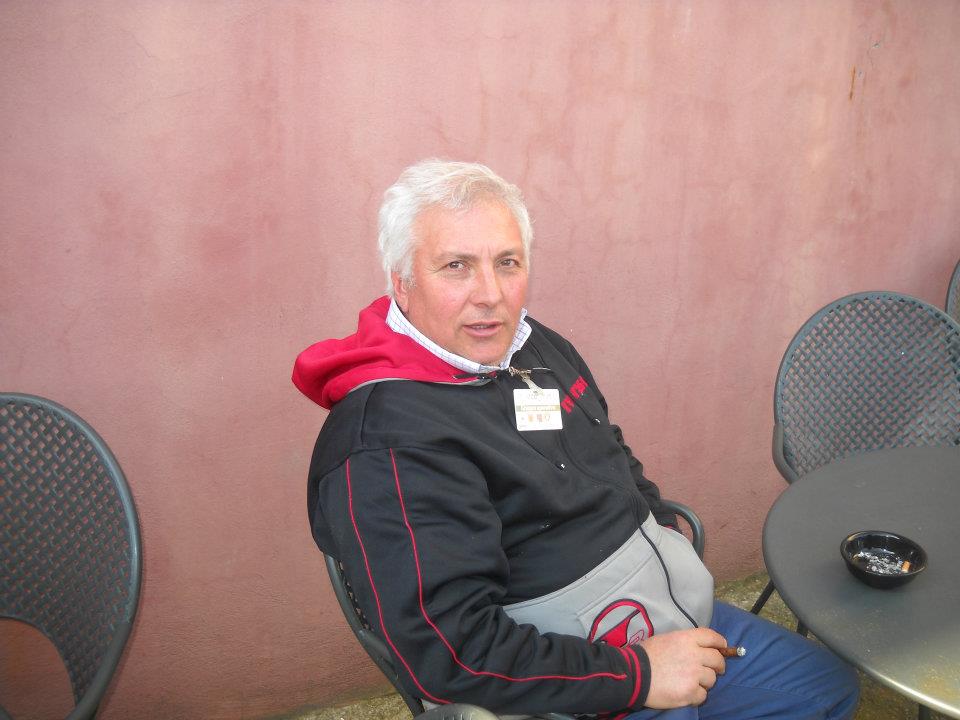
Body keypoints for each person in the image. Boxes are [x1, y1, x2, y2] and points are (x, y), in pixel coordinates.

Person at [293, 159, 859, 719]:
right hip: (568, 671)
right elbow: (452, 653)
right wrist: (640, 675)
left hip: (659, 603)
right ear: (402, 282)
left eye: (507, 263)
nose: (490, 294)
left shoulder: (528, 345)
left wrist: (662, 529)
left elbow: (608, 448)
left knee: (824, 687)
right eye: (456, 266)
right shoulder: (387, 443)